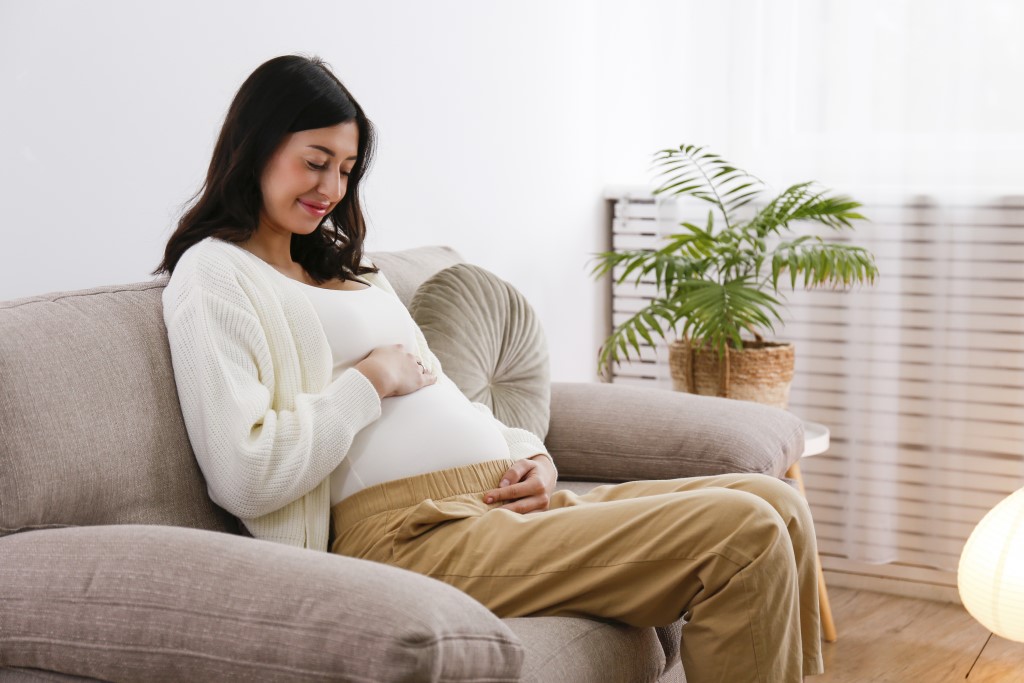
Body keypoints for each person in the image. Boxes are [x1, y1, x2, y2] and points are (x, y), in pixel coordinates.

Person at [154, 54, 823, 682]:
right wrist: (369, 381)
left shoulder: (345, 265)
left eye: (348, 168)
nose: (332, 187)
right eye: (315, 161)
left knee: (777, 501)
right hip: (409, 535)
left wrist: (531, 454)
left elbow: (441, 391)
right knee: (745, 534)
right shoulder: (215, 275)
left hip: (495, 501)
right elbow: (245, 473)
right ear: (256, 148)